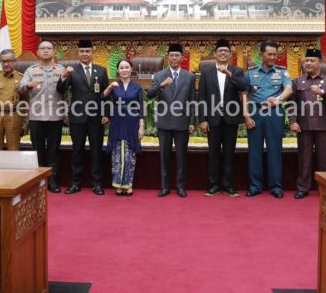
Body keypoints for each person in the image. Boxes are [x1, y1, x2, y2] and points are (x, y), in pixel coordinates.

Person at [57, 40, 110, 196]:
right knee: (77, 151)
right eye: (82, 51)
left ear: (92, 52)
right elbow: (60, 89)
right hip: (77, 117)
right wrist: (64, 76)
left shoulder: (101, 71)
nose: (85, 54)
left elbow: (106, 95)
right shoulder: (72, 71)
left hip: (96, 118)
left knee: (96, 151)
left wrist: (106, 113)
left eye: (87, 51)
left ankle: (97, 184)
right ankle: (75, 183)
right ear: (78, 53)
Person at [243, 41, 292, 198]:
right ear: (261, 55)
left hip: (274, 113)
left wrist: (278, 99)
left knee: (275, 150)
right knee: (254, 150)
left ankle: (276, 186)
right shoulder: (250, 73)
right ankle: (255, 186)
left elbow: (288, 89)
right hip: (255, 113)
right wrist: (246, 115)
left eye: (275, 54)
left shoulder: (282, 72)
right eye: (269, 54)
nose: (272, 57)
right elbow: (244, 95)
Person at [199, 39, 247, 197]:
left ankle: (227, 185)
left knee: (229, 153)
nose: (223, 53)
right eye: (220, 51)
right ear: (215, 53)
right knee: (213, 154)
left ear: (230, 54)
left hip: (230, 118)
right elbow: (202, 97)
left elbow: (243, 87)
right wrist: (203, 119)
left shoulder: (237, 71)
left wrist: (229, 74)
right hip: (212, 119)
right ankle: (213, 185)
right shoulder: (206, 72)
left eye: (226, 51)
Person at [147, 43, 196, 198]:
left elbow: (192, 101)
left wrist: (192, 121)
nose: (174, 58)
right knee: (164, 157)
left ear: (182, 57)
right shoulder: (159, 75)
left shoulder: (189, 76)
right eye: (171, 55)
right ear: (167, 57)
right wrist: (162, 85)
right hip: (165, 122)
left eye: (177, 55)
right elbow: (149, 94)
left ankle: (180, 186)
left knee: (181, 157)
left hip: (182, 122)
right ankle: (165, 186)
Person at [288, 49, 326, 199]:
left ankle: (324, 188)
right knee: (304, 159)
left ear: (320, 63)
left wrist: (322, 92)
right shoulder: (297, 81)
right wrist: (293, 121)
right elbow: (291, 103)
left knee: (323, 160)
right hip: (304, 126)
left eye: (312, 61)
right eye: (307, 61)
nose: (308, 63)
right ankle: (303, 188)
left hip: (323, 125)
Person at [19, 41, 66, 193]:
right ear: (38, 52)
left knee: (53, 151)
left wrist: (66, 112)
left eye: (49, 48)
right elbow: (20, 88)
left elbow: (66, 93)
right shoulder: (31, 70)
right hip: (36, 117)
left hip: (55, 116)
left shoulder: (61, 70)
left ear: (54, 52)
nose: (46, 51)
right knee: (37, 150)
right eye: (43, 48)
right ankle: (39, 181)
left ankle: (52, 180)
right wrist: (28, 85)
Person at [102, 59, 144, 196]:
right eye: (121, 68)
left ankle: (128, 184)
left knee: (129, 154)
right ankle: (118, 185)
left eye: (127, 67)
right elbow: (102, 97)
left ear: (131, 69)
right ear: (118, 70)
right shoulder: (114, 86)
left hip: (132, 121)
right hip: (117, 122)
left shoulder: (137, 87)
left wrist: (141, 126)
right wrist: (110, 87)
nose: (124, 70)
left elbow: (141, 107)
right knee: (117, 153)